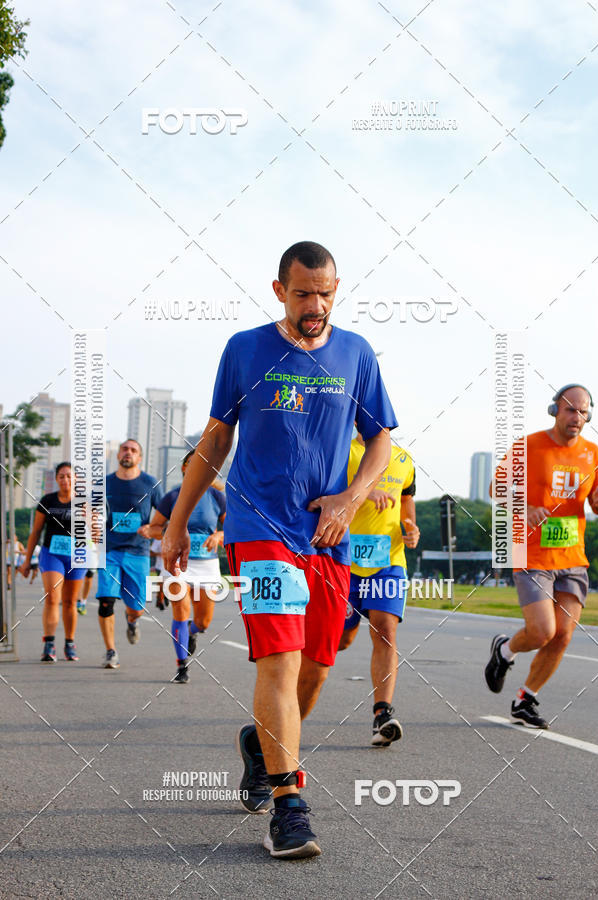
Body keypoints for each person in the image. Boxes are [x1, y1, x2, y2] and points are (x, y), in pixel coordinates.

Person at [162, 241, 396, 859]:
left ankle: (258, 742)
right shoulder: (244, 349)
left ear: (337, 288)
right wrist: (177, 524)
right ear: (278, 291)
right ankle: (290, 806)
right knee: (282, 660)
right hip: (260, 528)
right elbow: (214, 443)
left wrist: (351, 497)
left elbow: (381, 443)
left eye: (325, 293)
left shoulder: (356, 353)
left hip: (327, 535)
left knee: (318, 666)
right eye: (302, 294)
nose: (314, 305)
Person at [485, 384, 598, 728]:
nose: (576, 417)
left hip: (572, 556)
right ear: (554, 411)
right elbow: (496, 489)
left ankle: (525, 699)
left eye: (583, 411)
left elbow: (595, 498)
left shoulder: (593, 453)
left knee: (563, 634)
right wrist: (527, 507)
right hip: (532, 553)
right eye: (570, 410)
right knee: (541, 631)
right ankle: (505, 651)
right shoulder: (529, 446)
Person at [337, 432, 420, 746]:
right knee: (341, 640)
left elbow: (406, 502)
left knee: (385, 629)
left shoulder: (403, 459)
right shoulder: (341, 450)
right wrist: (362, 492)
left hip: (388, 559)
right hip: (343, 558)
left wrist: (410, 529)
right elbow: (319, 491)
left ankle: (382, 713)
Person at [140, 451, 225, 684]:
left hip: (207, 564)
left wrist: (218, 534)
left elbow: (232, 529)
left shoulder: (217, 497)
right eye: (192, 463)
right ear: (185, 468)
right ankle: (181, 666)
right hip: (177, 562)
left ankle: (191, 632)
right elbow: (155, 527)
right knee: (180, 609)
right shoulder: (172, 496)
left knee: (204, 621)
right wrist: (170, 532)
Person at [96, 439, 163, 669]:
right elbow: (89, 512)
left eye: (134, 450)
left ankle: (132, 620)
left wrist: (152, 528)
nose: (128, 453)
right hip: (110, 550)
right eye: (125, 449)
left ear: (140, 457)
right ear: (118, 455)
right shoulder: (104, 483)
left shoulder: (150, 484)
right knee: (106, 601)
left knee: (136, 607)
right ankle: (110, 651)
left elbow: (165, 516)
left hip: (138, 552)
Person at [19, 462, 86, 661]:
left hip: (77, 556)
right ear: (56, 479)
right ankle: (49, 644)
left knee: (70, 602)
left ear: (76, 479)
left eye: (69, 476)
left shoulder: (84, 502)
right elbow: (36, 532)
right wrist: (26, 560)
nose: (65, 480)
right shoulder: (48, 500)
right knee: (52, 597)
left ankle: (69, 642)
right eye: (62, 476)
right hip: (52, 554)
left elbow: (96, 533)